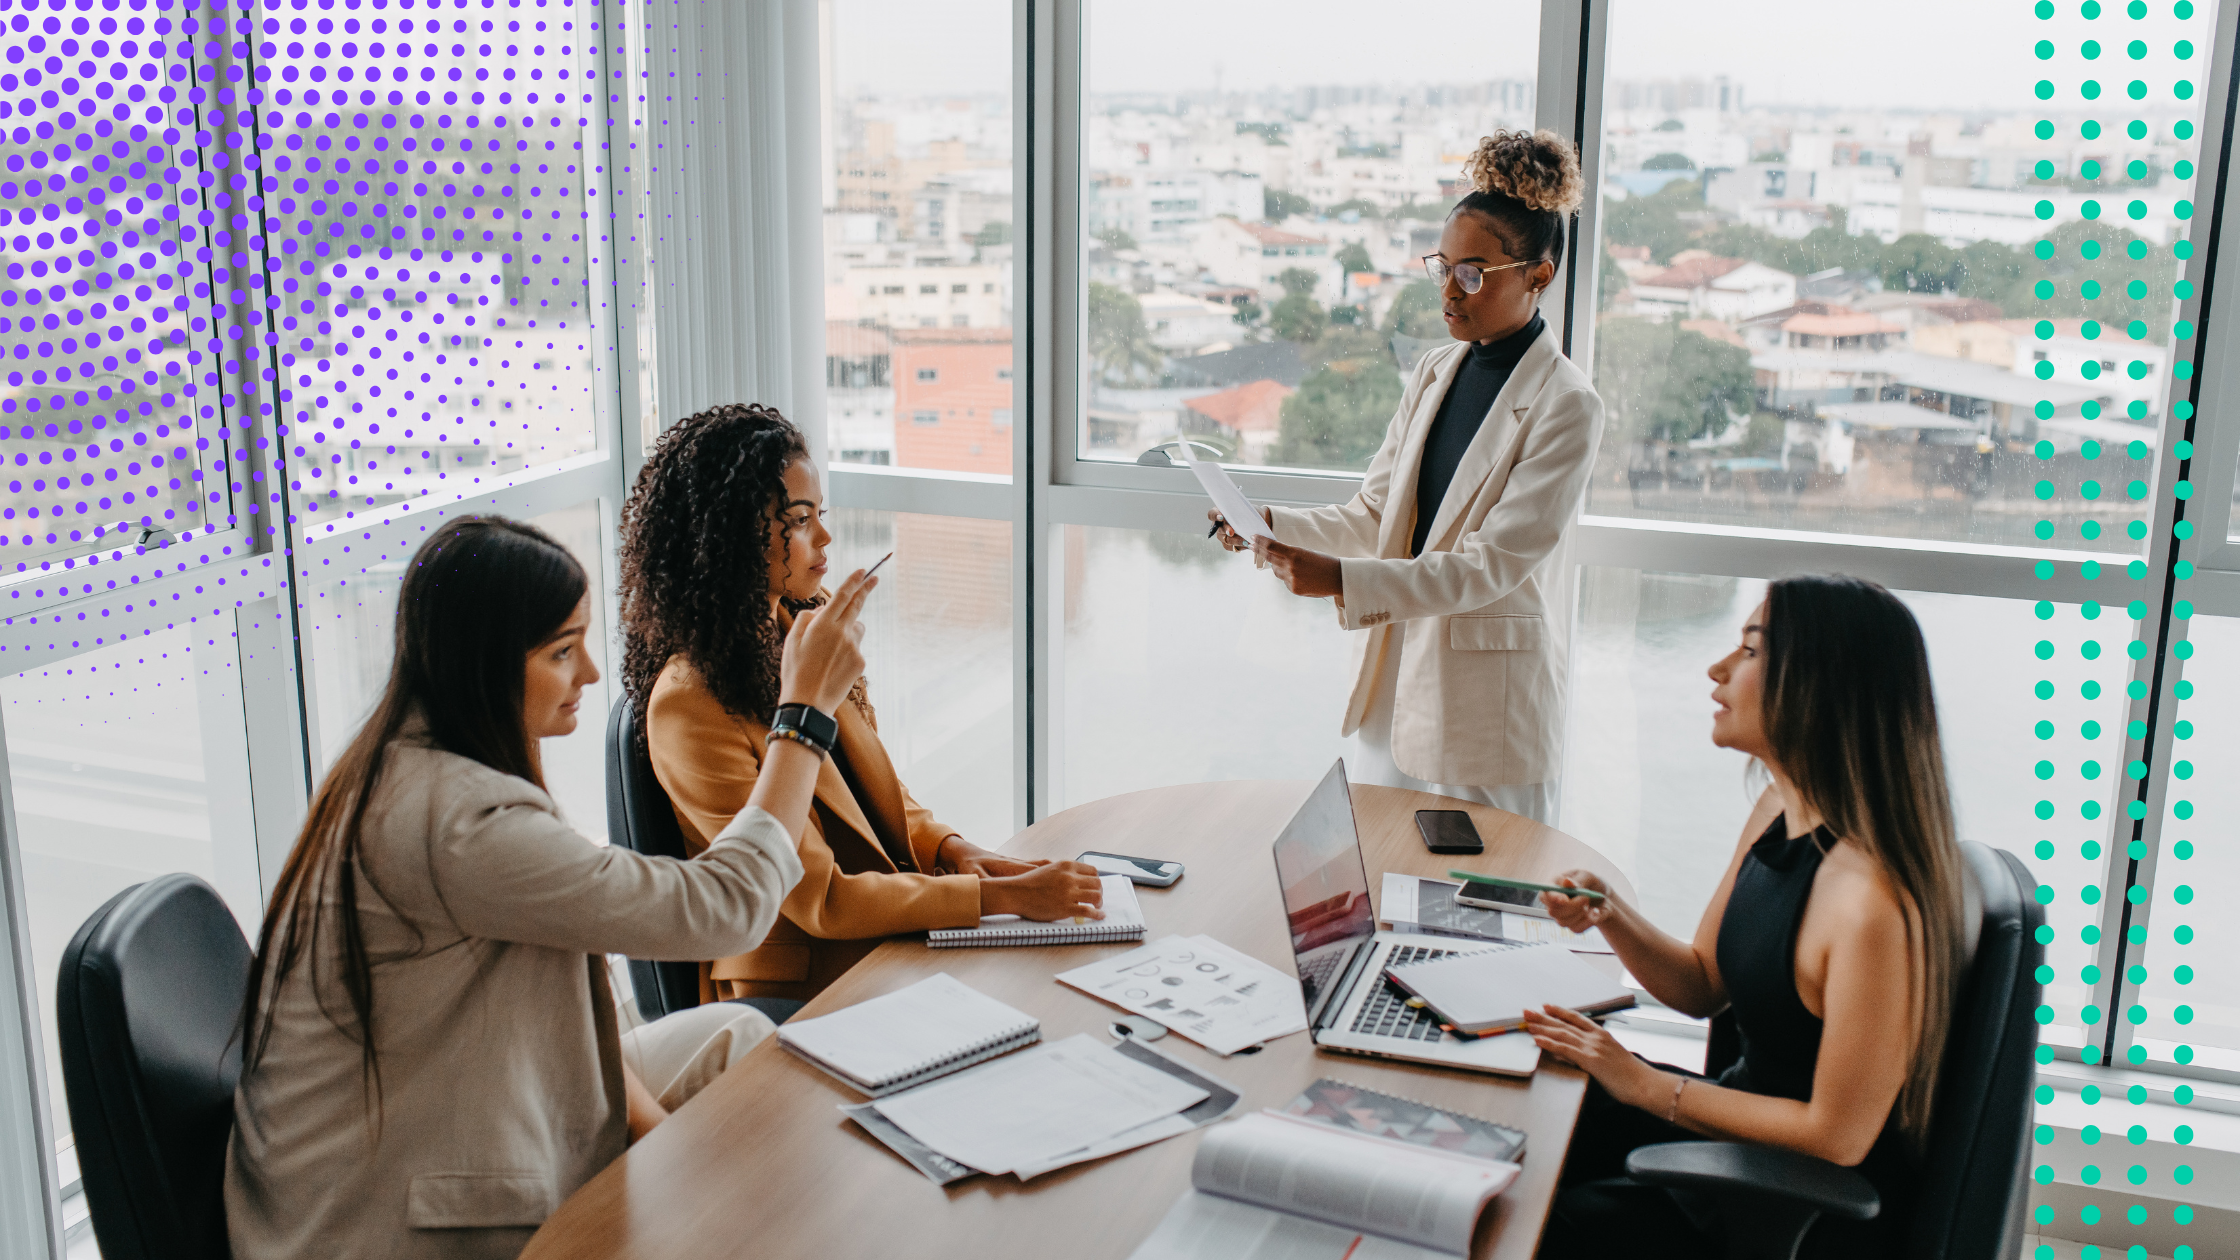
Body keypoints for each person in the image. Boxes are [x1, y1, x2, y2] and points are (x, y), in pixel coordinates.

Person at [226, 516, 879, 1259]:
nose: (591, 675)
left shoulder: (418, 755)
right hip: (382, 1214)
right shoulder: (458, 824)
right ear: (486, 664)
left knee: (739, 1039)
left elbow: (579, 1005)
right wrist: (801, 719)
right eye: (563, 651)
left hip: (452, 1098)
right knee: (745, 1126)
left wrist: (675, 1152)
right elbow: (727, 909)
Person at [1521, 576, 1969, 1259]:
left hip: (1787, 1196)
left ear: (1820, 685)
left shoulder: (1871, 905)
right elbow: (1701, 983)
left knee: (1537, 1218)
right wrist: (1611, 914)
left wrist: (1646, 1085)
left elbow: (1837, 1135)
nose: (1718, 669)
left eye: (1751, 651)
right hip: (1731, 1131)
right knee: (1532, 1114)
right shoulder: (1778, 811)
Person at [619, 403, 1102, 1005]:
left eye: (821, 513)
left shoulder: (799, 627)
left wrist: (955, 851)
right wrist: (999, 899)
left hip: (875, 939)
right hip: (795, 991)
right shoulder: (688, 706)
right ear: (727, 536)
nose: (824, 537)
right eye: (798, 520)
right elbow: (821, 901)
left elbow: (876, 794)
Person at [1213, 129, 1603, 821]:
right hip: (1395, 687)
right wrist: (1269, 525)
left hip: (1489, 712)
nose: (1450, 291)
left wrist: (1338, 578)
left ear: (1538, 275)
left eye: (1474, 273)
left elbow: (1488, 567)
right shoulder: (1435, 369)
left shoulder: (1567, 404)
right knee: (1379, 878)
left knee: (1483, 908)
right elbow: (1374, 515)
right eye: (1443, 267)